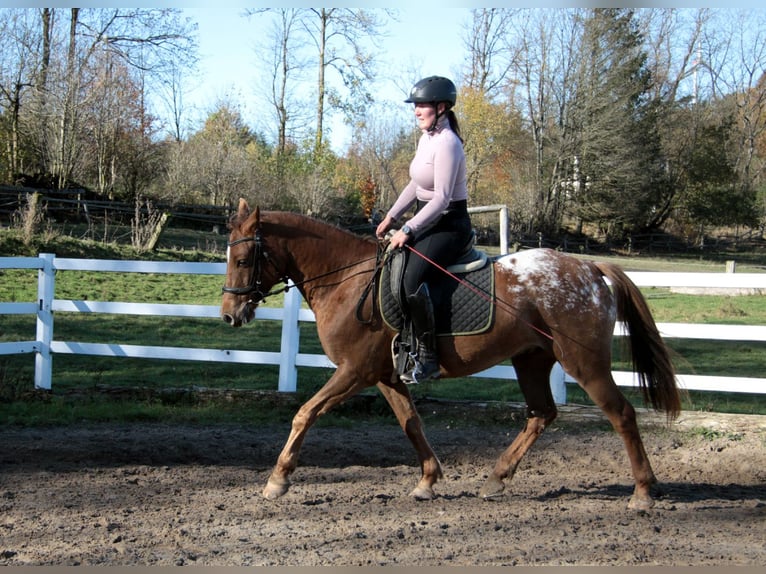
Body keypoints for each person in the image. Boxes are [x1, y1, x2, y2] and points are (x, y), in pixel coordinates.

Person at [375, 75, 472, 383]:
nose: (416, 111)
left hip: (449, 224)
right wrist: (392, 216)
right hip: (428, 218)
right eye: (415, 106)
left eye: (422, 106)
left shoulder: (448, 144)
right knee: (393, 266)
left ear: (441, 108)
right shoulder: (426, 139)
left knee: (412, 276)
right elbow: (416, 184)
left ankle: (428, 358)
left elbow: (442, 198)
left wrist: (409, 230)